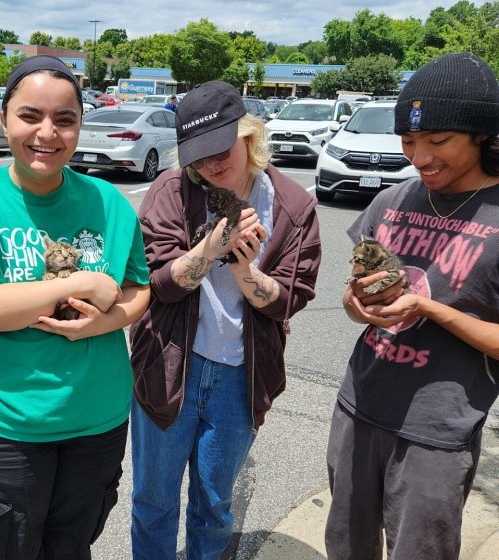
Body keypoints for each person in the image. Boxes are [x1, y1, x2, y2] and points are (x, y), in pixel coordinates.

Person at [0, 55, 151, 559]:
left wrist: (103, 320)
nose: (46, 133)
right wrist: (86, 282)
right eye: (30, 116)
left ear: (79, 127)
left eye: (65, 120)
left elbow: (139, 289)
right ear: (4, 118)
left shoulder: (109, 201)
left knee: (72, 548)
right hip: (7, 424)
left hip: (98, 419)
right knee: (5, 548)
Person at [128, 80, 322, 559]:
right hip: (171, 365)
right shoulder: (172, 190)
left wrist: (242, 266)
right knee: (153, 502)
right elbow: (159, 283)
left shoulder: (292, 206)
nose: (212, 163)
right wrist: (210, 249)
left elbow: (287, 301)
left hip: (241, 376)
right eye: (198, 153)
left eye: (220, 146)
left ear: (248, 133)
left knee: (214, 505)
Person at [325, 51, 499, 560]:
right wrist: (359, 305)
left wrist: (429, 310)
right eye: (408, 141)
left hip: (439, 430)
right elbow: (353, 299)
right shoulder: (392, 200)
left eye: (438, 141)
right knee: (346, 547)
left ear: (484, 135)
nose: (419, 157)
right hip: (358, 404)